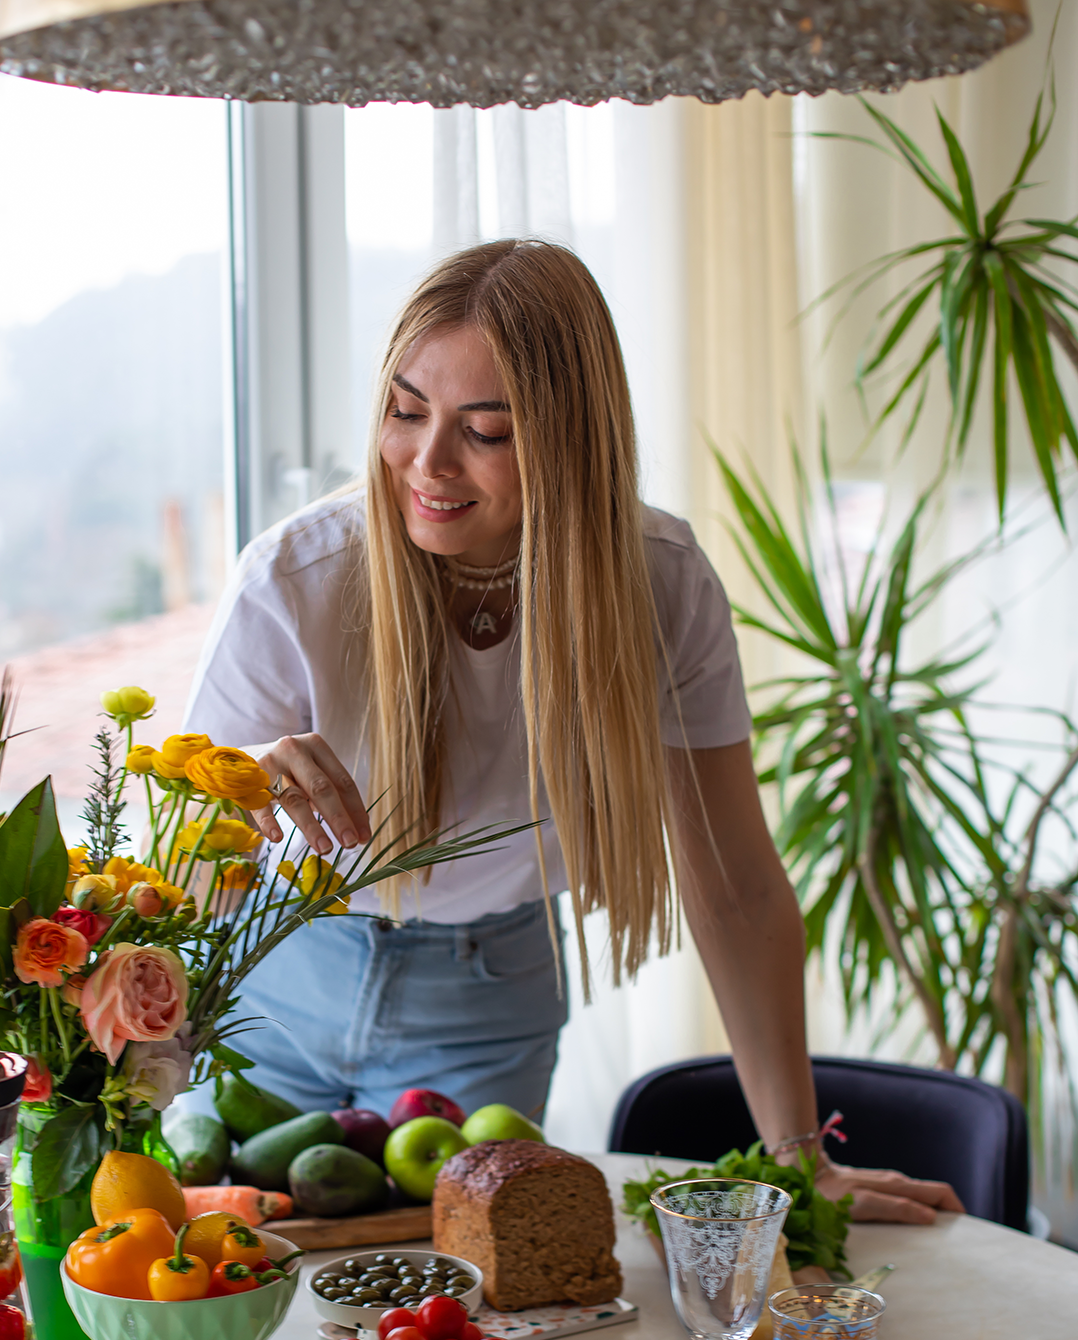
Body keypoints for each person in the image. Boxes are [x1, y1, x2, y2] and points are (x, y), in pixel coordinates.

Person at [185, 239, 961, 1224]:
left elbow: (734, 886)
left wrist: (803, 1159)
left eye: (486, 431)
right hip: (274, 973)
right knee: (233, 1296)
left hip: (486, 994)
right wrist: (239, 781)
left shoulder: (662, 584)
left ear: (570, 433)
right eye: (405, 410)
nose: (428, 463)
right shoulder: (296, 578)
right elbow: (175, 867)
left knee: (453, 1308)